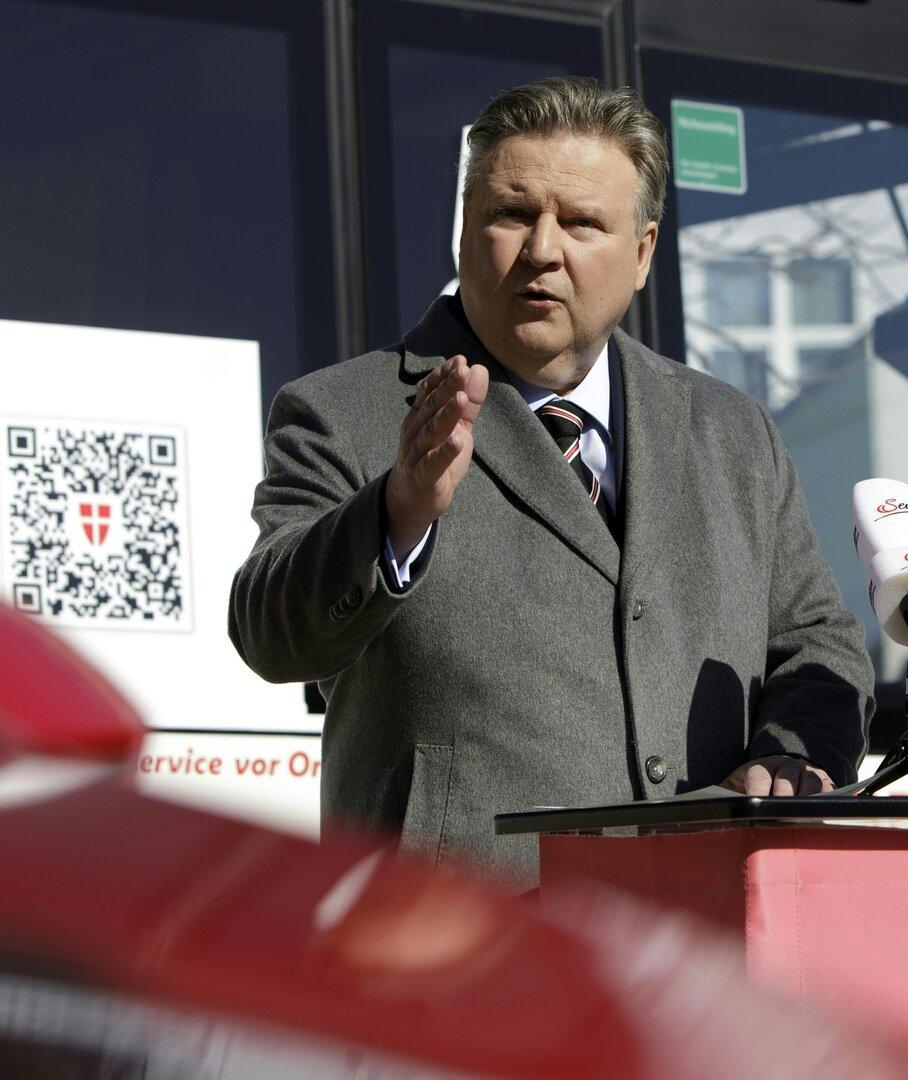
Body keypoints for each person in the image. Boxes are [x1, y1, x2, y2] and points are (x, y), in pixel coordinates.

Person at [229, 77, 873, 889]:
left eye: (580, 223)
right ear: (463, 232)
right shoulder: (343, 411)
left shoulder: (730, 429)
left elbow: (817, 639)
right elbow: (268, 635)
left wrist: (794, 755)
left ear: (641, 253)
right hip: (453, 950)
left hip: (698, 933)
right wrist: (396, 514)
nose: (542, 249)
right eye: (510, 214)